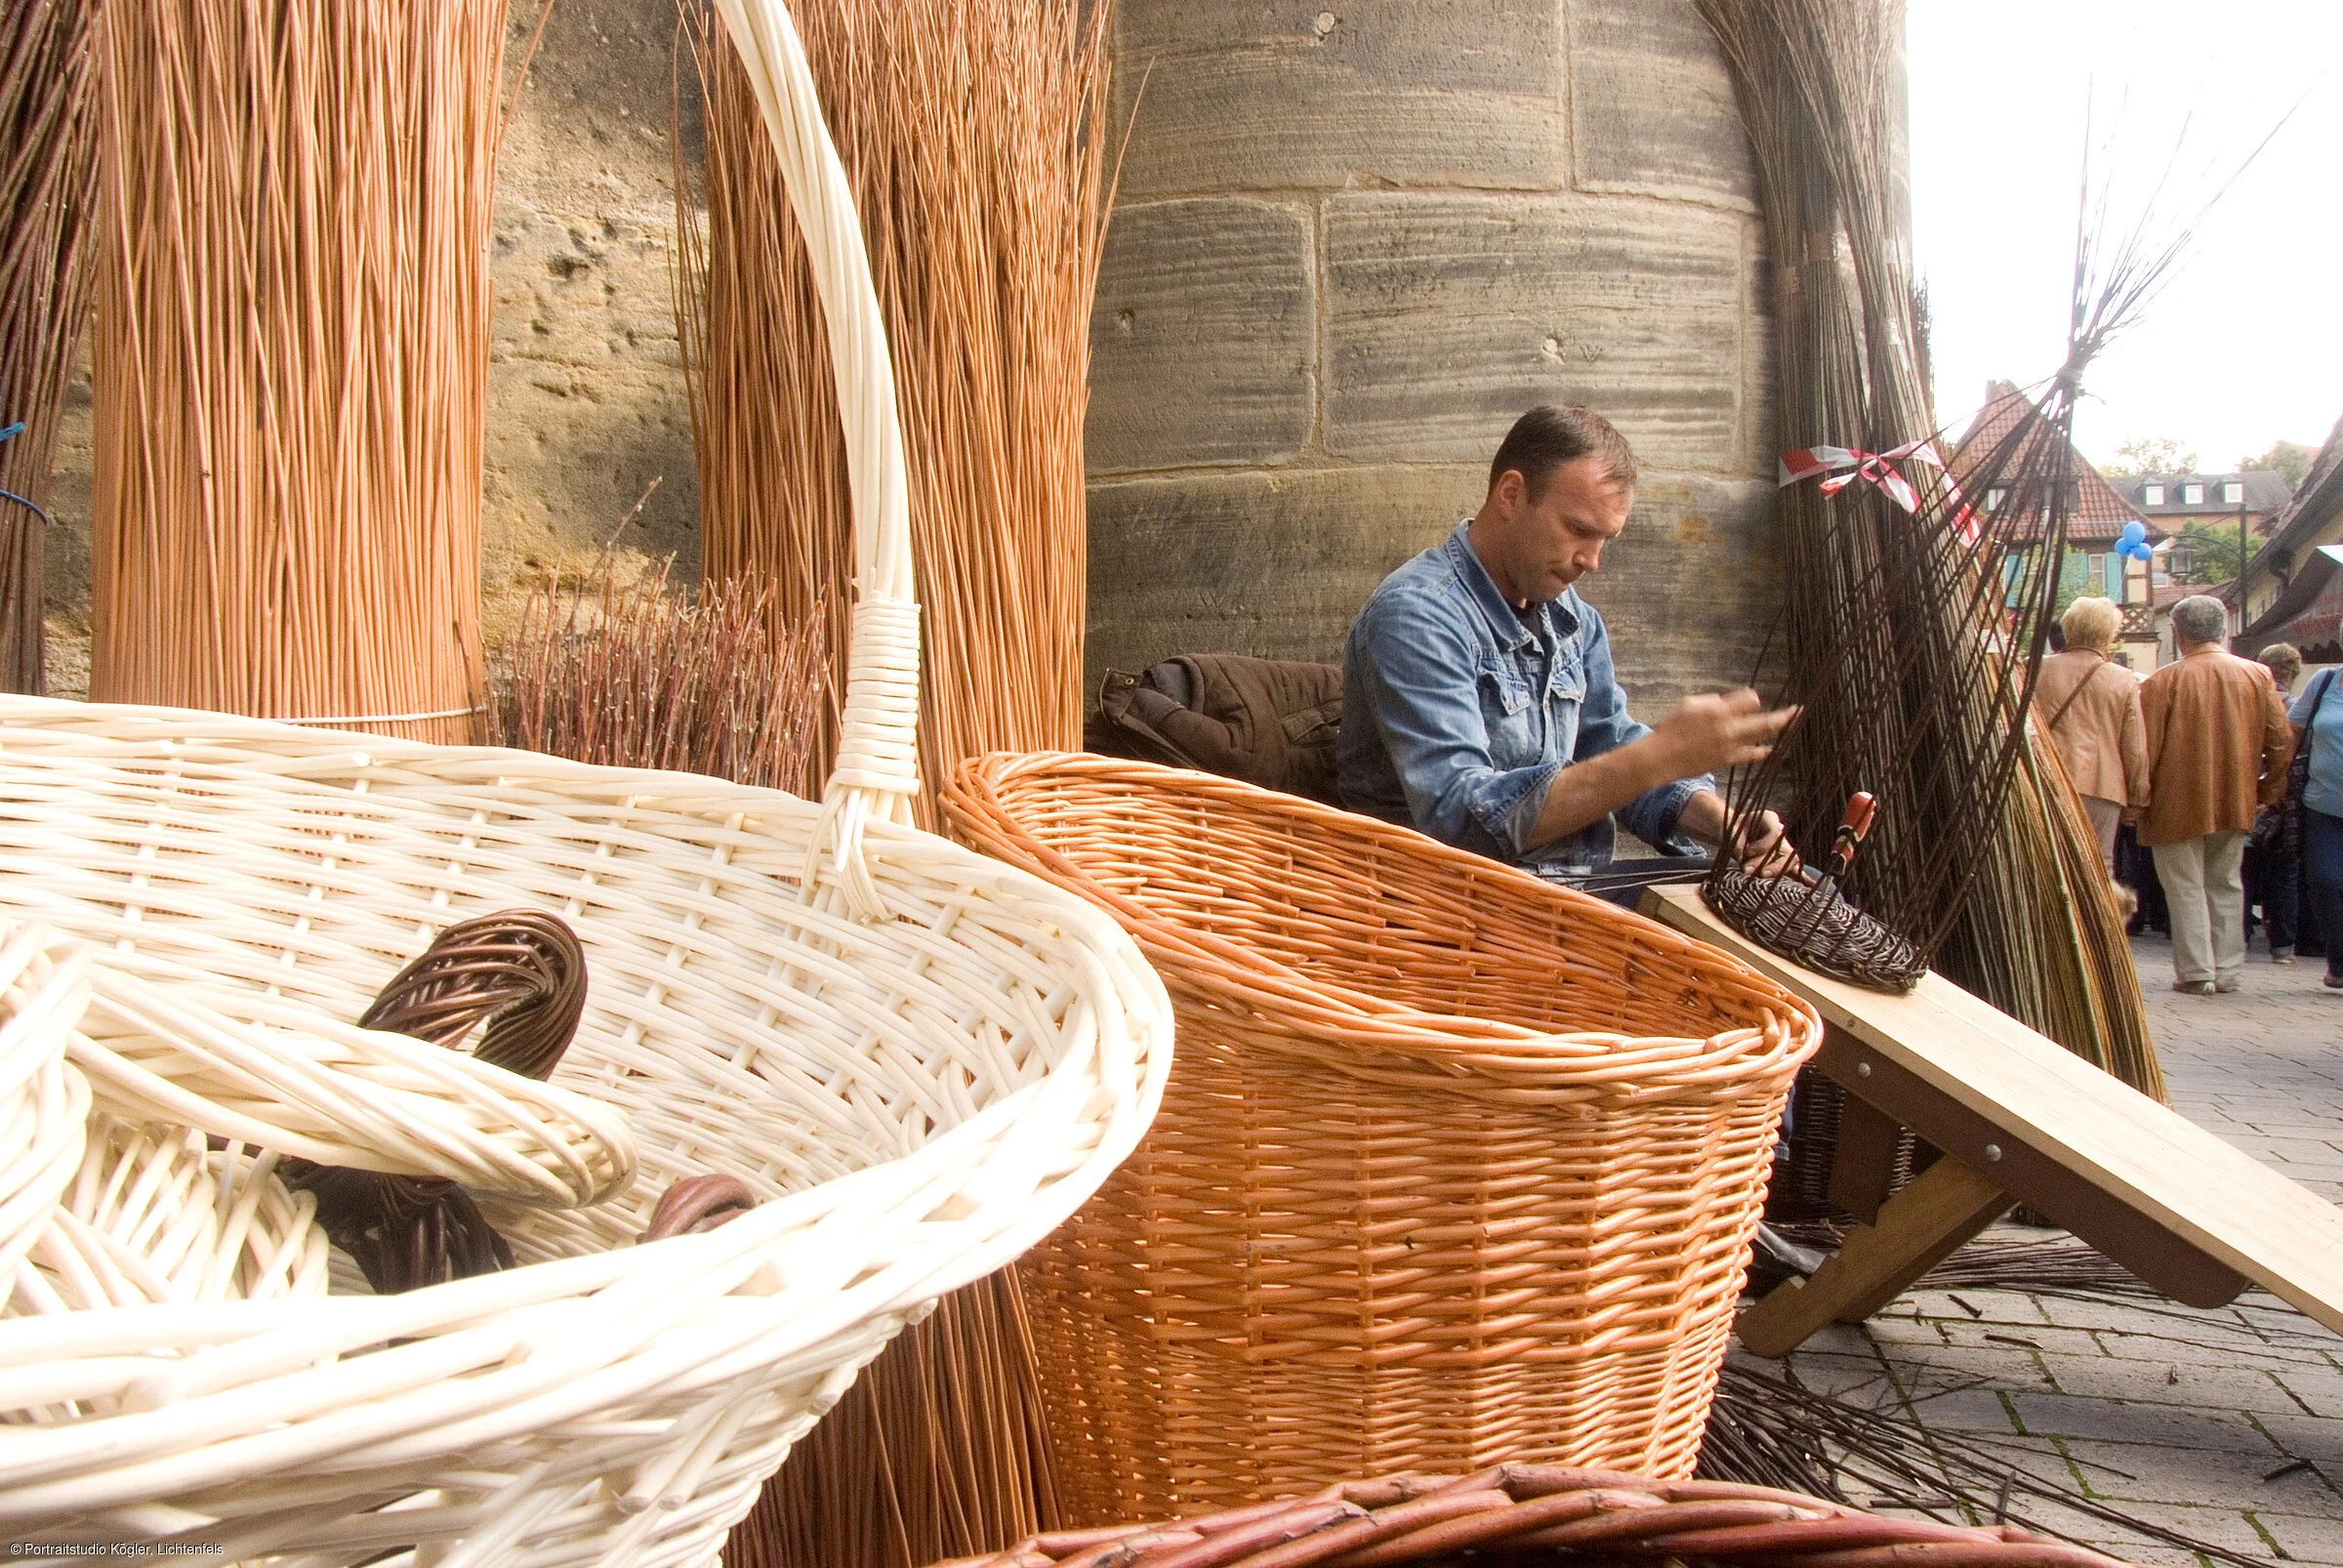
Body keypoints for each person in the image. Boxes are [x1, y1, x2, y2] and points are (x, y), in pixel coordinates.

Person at [1337, 404, 1798, 907]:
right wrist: (1655, 757)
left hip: (1570, 891)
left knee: (1790, 890)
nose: (1593, 561)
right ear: (1511, 495)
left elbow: (1607, 742)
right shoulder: (1417, 615)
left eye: (1605, 539)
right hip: (1454, 903)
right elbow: (1460, 819)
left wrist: (1721, 821)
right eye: (1579, 530)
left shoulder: (1572, 618)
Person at [2136, 597, 2294, 996]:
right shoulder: (2259, 676)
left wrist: (2138, 801)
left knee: (2184, 886)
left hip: (2173, 801)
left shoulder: (2163, 681)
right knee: (2226, 882)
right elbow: (2281, 741)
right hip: (2234, 795)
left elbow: (2146, 750)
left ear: (2179, 632)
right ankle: (2226, 970)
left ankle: (2196, 972)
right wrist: (2267, 791)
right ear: (2223, 630)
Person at [2035, 597, 2149, 873]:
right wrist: (2137, 798)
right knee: (2100, 865)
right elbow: (2134, 747)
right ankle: (2096, 917)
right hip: (2102, 785)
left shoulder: (2038, 669)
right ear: (2109, 633)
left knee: (2049, 864)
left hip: (2047, 778)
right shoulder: (2122, 679)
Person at [2245, 643, 2305, 963]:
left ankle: (2238, 938)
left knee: (2242, 868)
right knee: (2283, 871)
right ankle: (2282, 947)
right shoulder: (2296, 706)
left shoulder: (2249, 702)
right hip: (2282, 796)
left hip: (2248, 791)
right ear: (2292, 673)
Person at [2291, 655, 2343, 992]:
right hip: (2322, 805)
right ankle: (2339, 961)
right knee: (2325, 882)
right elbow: (2292, 731)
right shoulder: (2324, 682)